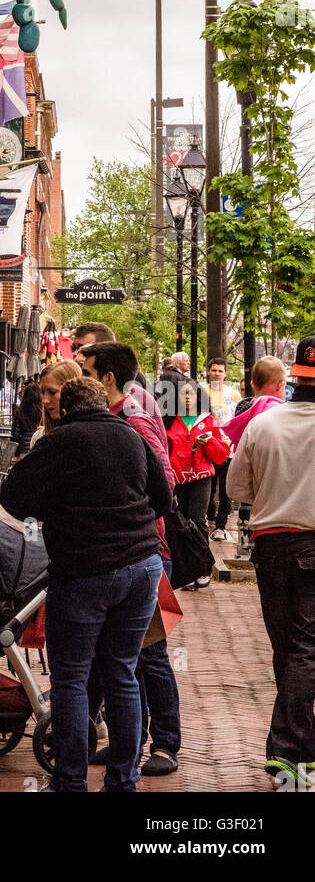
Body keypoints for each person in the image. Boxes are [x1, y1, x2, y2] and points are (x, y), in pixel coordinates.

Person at [1, 375, 171, 793]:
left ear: (66, 407)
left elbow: (13, 498)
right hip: (142, 566)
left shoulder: (59, 443)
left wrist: (52, 506)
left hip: (84, 571)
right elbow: (164, 497)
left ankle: (70, 781)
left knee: (72, 679)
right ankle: (123, 780)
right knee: (123, 674)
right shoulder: (131, 435)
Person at [79, 343, 181, 776]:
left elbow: (167, 483)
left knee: (151, 655)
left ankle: (166, 745)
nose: (80, 379)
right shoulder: (116, 418)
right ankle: (129, 744)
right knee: (124, 658)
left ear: (106, 379)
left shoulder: (135, 421)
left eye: (85, 371)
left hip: (147, 553)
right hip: (128, 552)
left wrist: (129, 520)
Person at [227, 335, 315, 789]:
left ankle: (293, 749)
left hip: (272, 547)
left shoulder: (263, 425)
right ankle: (292, 748)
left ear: (294, 378)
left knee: (289, 647)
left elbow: (235, 490)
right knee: (305, 649)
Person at [164, 379, 230, 589]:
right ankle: (186, 568)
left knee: (197, 519)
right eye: (182, 394)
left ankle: (203, 567)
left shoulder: (210, 420)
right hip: (177, 479)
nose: (186, 397)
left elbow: (221, 456)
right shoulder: (169, 421)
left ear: (199, 397)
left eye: (190, 394)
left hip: (201, 477)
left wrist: (208, 442)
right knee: (180, 523)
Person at [205, 359, 241, 542]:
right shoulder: (202, 393)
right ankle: (211, 520)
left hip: (228, 450)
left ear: (225, 373)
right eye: (214, 370)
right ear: (208, 372)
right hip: (209, 448)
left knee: (226, 492)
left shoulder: (234, 395)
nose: (217, 373)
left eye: (220, 371)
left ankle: (220, 526)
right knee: (209, 493)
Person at [31, 360, 82, 445]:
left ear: (72, 391)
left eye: (52, 392)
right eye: (42, 392)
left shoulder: (91, 434)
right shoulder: (39, 438)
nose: (44, 400)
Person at [10, 377, 43, 458]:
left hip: (24, 449)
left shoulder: (20, 412)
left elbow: (15, 435)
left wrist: (16, 452)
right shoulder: (43, 411)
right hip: (40, 448)